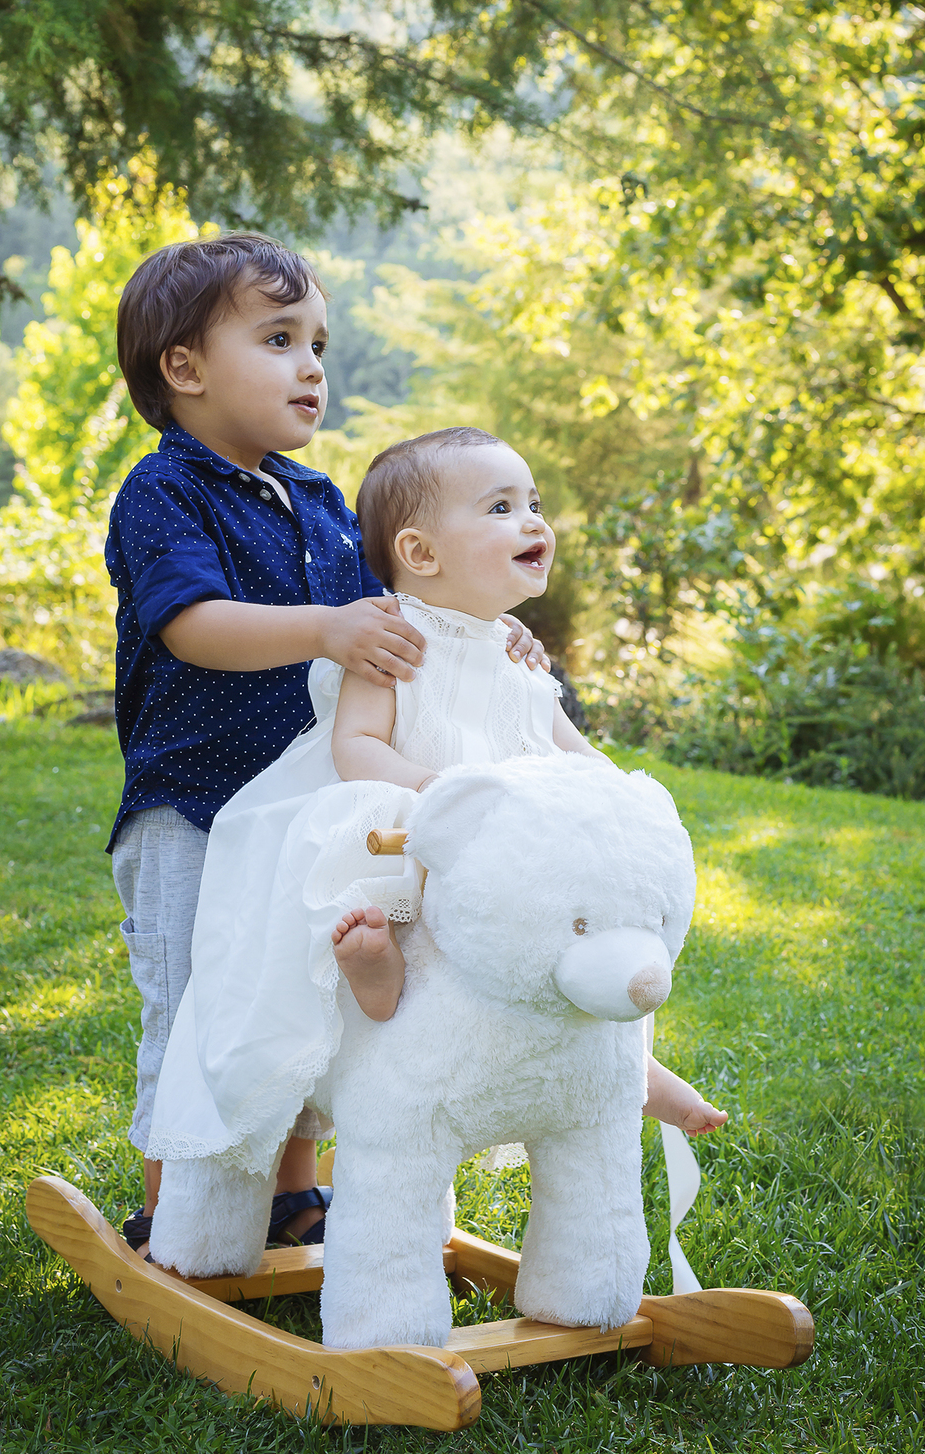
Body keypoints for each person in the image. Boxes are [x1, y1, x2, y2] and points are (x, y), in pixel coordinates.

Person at [144, 428, 726, 1273]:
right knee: (386, 919)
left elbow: (577, 757)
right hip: (406, 841)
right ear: (418, 550)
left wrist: (616, 807)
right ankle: (375, 979)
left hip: (506, 885)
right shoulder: (391, 638)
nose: (533, 519)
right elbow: (359, 750)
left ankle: (635, 1066)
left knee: (588, 932)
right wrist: (448, 803)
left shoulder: (521, 662)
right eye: (501, 506)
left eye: (532, 503)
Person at [104, 238, 545, 1259]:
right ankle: (174, 1204)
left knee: (293, 990)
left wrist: (489, 622)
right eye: (279, 338)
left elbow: (402, 612)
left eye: (318, 343)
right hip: (193, 803)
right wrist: (323, 626)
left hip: (299, 807)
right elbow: (192, 624)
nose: (312, 365)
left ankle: (293, 1196)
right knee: (194, 1001)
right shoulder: (166, 493)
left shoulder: (319, 498)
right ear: (185, 367)